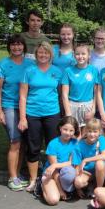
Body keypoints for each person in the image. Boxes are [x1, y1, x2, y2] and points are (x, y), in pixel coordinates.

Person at [18, 41, 63, 193]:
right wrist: (23, 118)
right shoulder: (29, 71)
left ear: (51, 55)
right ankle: (33, 179)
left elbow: (61, 94)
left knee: (53, 147)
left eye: (46, 53)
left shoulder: (57, 71)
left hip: (52, 113)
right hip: (33, 114)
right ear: (36, 55)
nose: (43, 55)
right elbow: (23, 96)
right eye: (40, 53)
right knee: (33, 147)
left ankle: (52, 178)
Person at [0, 34, 34, 191]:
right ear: (9, 46)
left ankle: (17, 173)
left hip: (27, 106)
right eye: (13, 45)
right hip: (9, 106)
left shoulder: (30, 64)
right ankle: (12, 177)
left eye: (19, 44)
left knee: (23, 142)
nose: (16, 47)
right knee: (15, 141)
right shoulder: (2, 65)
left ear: (24, 46)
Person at [39, 116, 80, 206]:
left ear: (74, 131)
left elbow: (73, 163)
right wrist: (60, 191)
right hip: (52, 174)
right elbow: (54, 171)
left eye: (71, 130)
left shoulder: (75, 143)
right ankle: (41, 186)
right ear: (60, 128)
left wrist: (56, 165)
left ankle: (66, 190)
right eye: (65, 129)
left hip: (65, 173)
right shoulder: (53, 144)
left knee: (70, 171)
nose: (68, 133)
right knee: (53, 200)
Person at [60, 43, 98, 128]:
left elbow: (96, 92)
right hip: (72, 106)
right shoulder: (68, 71)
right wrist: (68, 112)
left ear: (89, 55)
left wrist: (93, 110)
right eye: (77, 54)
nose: (80, 56)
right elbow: (64, 95)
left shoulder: (94, 70)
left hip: (88, 106)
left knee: (87, 134)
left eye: (83, 54)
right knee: (72, 134)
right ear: (74, 55)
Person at [72, 118, 105, 197]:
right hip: (87, 172)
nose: (92, 134)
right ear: (86, 131)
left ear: (99, 132)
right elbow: (76, 166)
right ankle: (90, 185)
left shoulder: (101, 140)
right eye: (90, 131)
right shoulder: (79, 145)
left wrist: (86, 160)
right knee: (78, 182)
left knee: (100, 164)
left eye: (95, 131)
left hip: (100, 170)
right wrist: (78, 189)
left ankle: (99, 190)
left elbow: (104, 156)